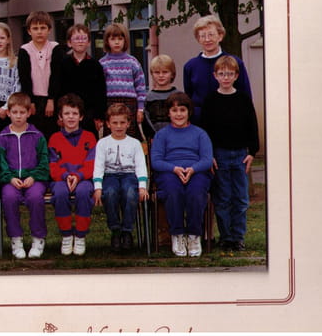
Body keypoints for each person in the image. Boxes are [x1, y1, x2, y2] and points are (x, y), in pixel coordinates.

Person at [201, 55, 259, 252]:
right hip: (219, 155)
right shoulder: (210, 100)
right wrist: (209, 155)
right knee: (223, 198)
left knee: (241, 198)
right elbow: (205, 130)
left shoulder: (243, 99)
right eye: (222, 74)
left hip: (241, 154)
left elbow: (252, 125)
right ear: (215, 75)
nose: (225, 77)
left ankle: (238, 237)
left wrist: (253, 151)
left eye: (229, 74)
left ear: (236, 76)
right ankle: (226, 237)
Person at [150, 92, 213, 257]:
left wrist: (193, 169)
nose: (179, 114)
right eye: (174, 110)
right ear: (168, 113)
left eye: (182, 110)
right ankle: (177, 234)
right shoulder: (162, 134)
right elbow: (156, 161)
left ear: (189, 112)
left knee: (196, 192)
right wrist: (174, 169)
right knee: (173, 191)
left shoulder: (200, 134)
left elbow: (207, 159)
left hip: (196, 172)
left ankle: (194, 235)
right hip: (169, 172)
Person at [0, 92, 49, 259]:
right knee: (9, 197)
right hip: (11, 180)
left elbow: (44, 161)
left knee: (35, 198)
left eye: (22, 112)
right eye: (15, 112)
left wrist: (34, 176)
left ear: (29, 113)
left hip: (34, 179)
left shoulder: (37, 135)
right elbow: (0, 162)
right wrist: (10, 178)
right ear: (8, 113)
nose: (18, 116)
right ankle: (16, 239)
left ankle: (38, 238)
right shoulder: (2, 137)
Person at [92, 103, 149, 251]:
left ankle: (127, 230)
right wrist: (97, 187)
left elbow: (141, 166)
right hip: (109, 175)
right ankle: (116, 230)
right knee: (109, 193)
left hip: (129, 175)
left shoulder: (135, 143)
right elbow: (98, 166)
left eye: (122, 122)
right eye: (115, 123)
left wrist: (142, 186)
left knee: (130, 193)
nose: (119, 126)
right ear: (108, 124)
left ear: (128, 123)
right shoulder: (102, 143)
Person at [48, 94, 97, 256]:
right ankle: (67, 235)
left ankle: (80, 235)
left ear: (81, 116)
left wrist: (79, 176)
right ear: (60, 117)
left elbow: (92, 163)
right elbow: (52, 165)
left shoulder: (89, 137)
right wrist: (65, 176)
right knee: (60, 193)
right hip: (61, 179)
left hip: (83, 179)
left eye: (75, 113)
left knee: (83, 192)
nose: (71, 117)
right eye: (67, 113)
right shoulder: (54, 138)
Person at [183, 15, 252, 124]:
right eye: (203, 36)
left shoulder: (235, 63)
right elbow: (189, 96)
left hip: (229, 120)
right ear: (198, 39)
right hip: (200, 122)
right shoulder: (190, 66)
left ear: (220, 36)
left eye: (211, 35)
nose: (207, 39)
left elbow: (245, 96)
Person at [17, 11, 65, 139]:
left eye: (43, 28)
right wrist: (30, 101)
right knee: (34, 136)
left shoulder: (55, 48)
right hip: (33, 100)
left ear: (49, 30)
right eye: (35, 28)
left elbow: (57, 76)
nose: (39, 32)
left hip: (52, 99)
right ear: (29, 31)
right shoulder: (24, 50)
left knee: (52, 135)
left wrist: (51, 99)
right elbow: (24, 78)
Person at [55, 23, 107, 137]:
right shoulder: (63, 64)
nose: (80, 41)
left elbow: (100, 92)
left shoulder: (95, 65)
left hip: (89, 114)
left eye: (84, 38)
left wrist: (99, 116)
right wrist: (59, 114)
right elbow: (58, 89)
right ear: (69, 42)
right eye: (76, 38)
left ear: (89, 42)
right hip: (68, 113)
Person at [98, 23, 146, 139]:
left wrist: (140, 109)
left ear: (125, 40)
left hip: (130, 104)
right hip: (109, 103)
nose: (117, 42)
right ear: (107, 41)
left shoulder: (132, 62)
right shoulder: (102, 63)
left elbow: (140, 86)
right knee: (111, 136)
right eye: (113, 39)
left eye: (120, 39)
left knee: (130, 136)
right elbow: (98, 90)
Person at [142, 54, 181, 140]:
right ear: (152, 74)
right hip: (155, 140)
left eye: (165, 72)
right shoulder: (148, 98)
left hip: (177, 138)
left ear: (172, 74)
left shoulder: (179, 96)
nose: (161, 75)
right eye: (157, 72)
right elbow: (146, 122)